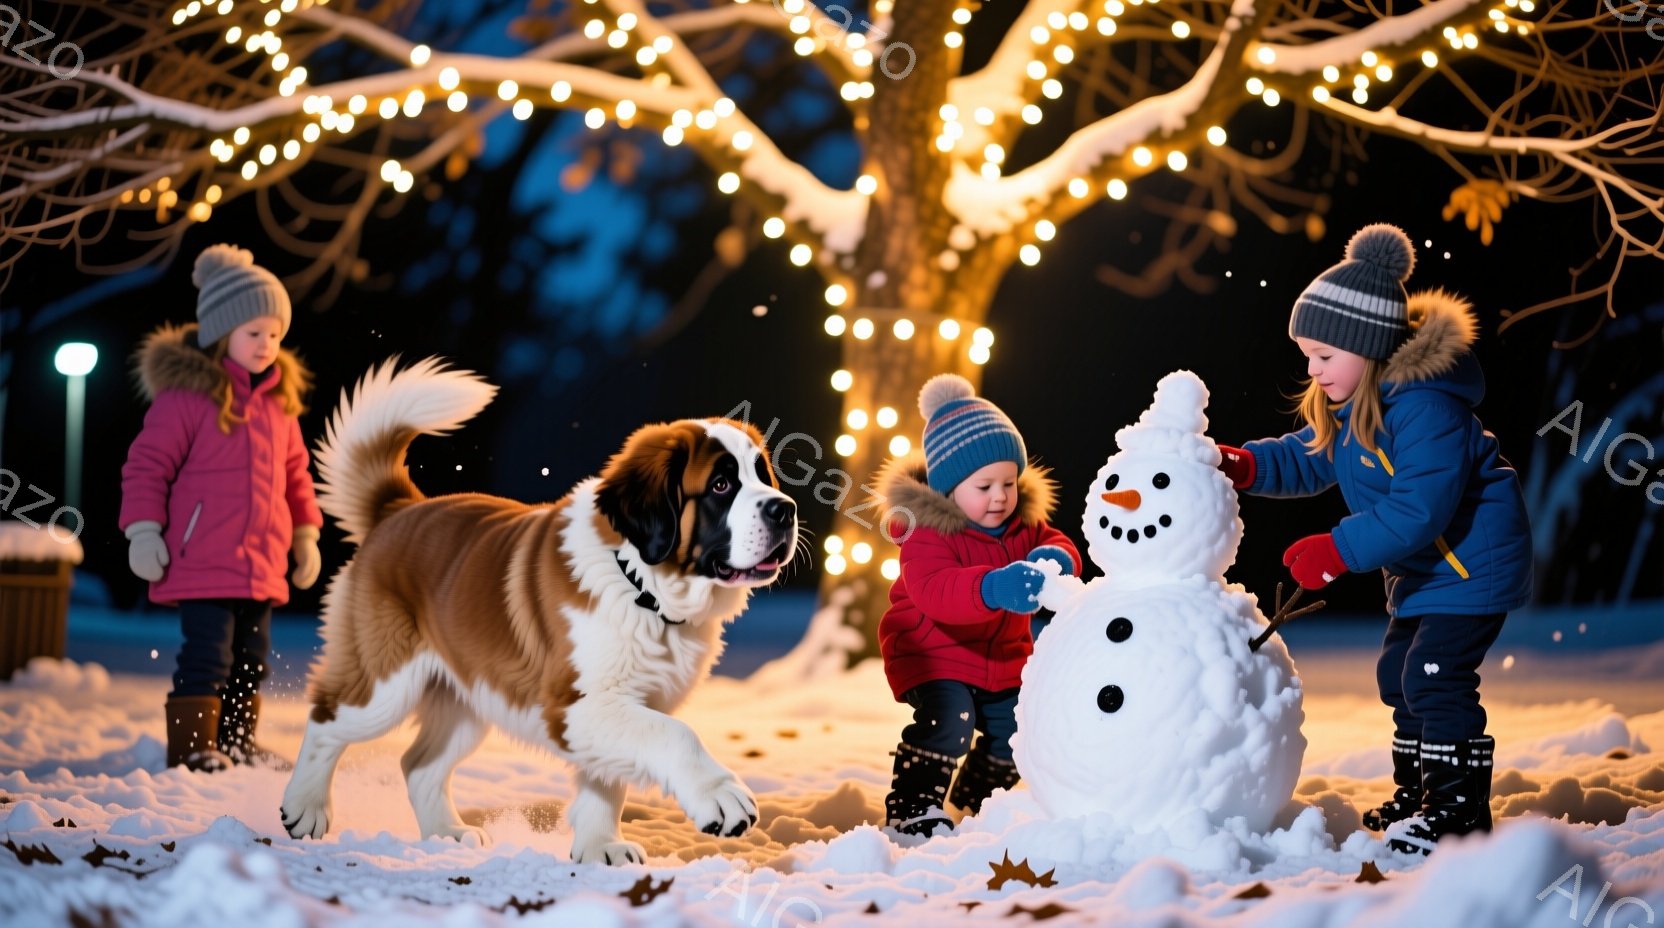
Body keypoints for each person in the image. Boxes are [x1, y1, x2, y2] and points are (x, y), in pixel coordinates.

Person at [1216, 223, 1531, 854]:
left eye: (1325, 356)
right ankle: (1418, 793)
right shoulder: (1351, 407)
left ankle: (1457, 812)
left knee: (1434, 677)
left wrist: (1338, 550)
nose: (1312, 368)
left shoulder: (1425, 408)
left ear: (1371, 347)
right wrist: (1247, 466)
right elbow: (1310, 458)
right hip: (1425, 574)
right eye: (1306, 353)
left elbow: (1420, 508)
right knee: (1400, 674)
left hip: (1472, 566)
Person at [119, 244, 325, 772]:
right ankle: (194, 749)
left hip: (260, 560)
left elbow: (296, 474)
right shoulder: (187, 398)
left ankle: (235, 742)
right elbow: (147, 466)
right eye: (254, 333)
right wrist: (144, 532)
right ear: (220, 333)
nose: (266, 345)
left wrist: (305, 533)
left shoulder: (280, 405)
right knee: (207, 657)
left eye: (275, 334)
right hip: (202, 557)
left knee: (251, 663)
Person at [873, 374, 1081, 837]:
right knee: (951, 720)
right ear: (950, 488)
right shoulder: (928, 533)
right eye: (984, 486)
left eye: (1009, 482)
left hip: (1001, 659)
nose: (1001, 496)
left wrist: (1056, 557)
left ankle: (978, 804)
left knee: (1016, 732)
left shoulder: (1023, 523)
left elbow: (1056, 540)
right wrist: (992, 587)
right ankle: (913, 806)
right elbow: (935, 589)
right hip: (933, 652)